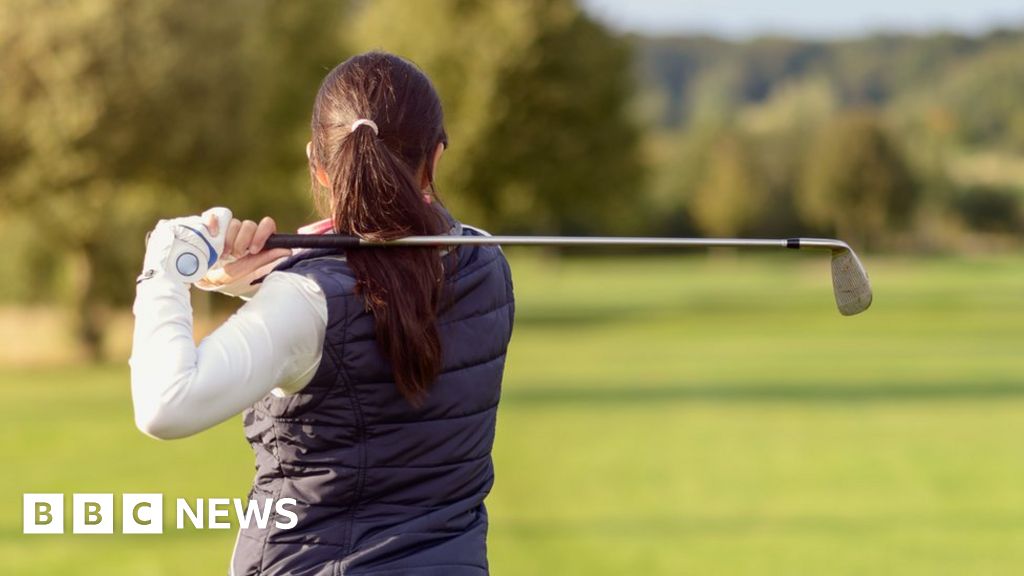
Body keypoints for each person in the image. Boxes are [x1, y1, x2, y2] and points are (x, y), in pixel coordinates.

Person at [130, 52, 515, 576]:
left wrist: (164, 270)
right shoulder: (485, 262)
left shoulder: (303, 301)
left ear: (317, 161)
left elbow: (164, 407)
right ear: (436, 157)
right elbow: (380, 291)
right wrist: (256, 282)